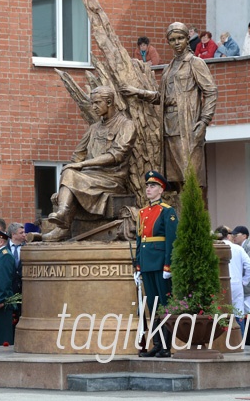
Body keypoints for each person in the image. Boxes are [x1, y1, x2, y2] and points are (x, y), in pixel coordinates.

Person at [121, 22, 218, 191]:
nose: (177, 42)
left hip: (187, 125)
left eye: (180, 38)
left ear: (187, 39)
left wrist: (203, 121)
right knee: (175, 179)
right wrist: (137, 91)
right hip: (169, 127)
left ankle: (195, 215)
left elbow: (211, 91)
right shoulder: (168, 68)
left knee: (192, 176)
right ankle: (181, 213)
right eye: (172, 39)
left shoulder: (195, 63)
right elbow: (161, 97)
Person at [44, 86, 137, 241]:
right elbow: (77, 156)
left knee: (72, 173)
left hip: (111, 178)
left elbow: (117, 155)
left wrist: (81, 165)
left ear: (109, 102)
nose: (94, 107)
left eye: (97, 103)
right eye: (92, 103)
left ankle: (63, 221)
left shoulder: (126, 125)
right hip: (88, 177)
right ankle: (62, 218)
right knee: (68, 171)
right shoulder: (93, 128)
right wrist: (65, 184)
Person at [136, 171, 178, 358]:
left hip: (161, 264)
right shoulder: (143, 212)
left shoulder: (167, 211)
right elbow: (140, 241)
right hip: (146, 264)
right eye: (147, 186)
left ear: (161, 190)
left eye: (153, 186)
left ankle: (166, 347)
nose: (148, 189)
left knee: (165, 304)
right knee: (152, 305)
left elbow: (172, 240)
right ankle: (156, 344)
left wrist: (168, 265)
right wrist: (138, 266)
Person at [214, 226, 250, 336]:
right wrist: (244, 281)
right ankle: (239, 340)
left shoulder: (212, 248)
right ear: (228, 236)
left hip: (219, 284)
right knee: (238, 313)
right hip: (236, 284)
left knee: (220, 313)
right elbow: (249, 265)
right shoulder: (238, 249)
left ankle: (222, 340)